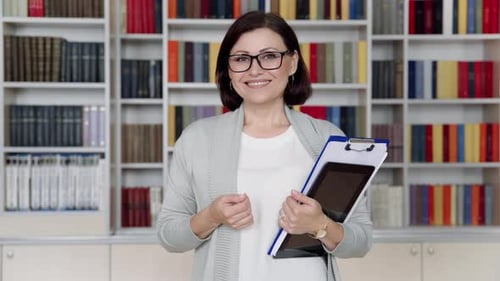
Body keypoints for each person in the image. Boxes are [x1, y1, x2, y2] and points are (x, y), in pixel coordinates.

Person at [157, 10, 373, 281]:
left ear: (292, 62)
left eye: (270, 56)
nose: (255, 69)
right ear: (229, 69)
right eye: (241, 59)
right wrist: (211, 216)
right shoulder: (197, 140)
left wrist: (321, 226)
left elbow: (361, 239)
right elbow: (168, 235)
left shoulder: (327, 139)